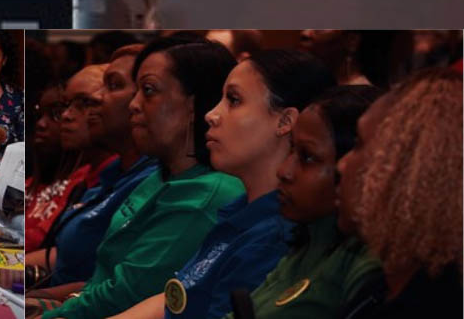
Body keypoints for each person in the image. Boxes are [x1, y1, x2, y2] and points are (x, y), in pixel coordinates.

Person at [109, 50, 336, 319]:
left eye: (234, 100)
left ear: (285, 121)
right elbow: (176, 300)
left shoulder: (273, 236)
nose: (211, 115)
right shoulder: (239, 212)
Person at [34, 41, 244, 319]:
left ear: (193, 103)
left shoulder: (203, 194)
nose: (134, 105)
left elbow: (126, 295)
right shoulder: (162, 173)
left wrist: (46, 311)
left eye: (148, 91)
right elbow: (103, 281)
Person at [222, 85, 385, 319]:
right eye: (292, 151)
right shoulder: (309, 240)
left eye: (308, 158)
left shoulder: (367, 265)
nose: (284, 171)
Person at [28, 43, 160, 288]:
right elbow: (65, 258)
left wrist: (31, 302)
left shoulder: (152, 180)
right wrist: (3, 274)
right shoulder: (110, 174)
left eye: (83, 102)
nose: (98, 100)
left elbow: (108, 287)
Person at [337, 67, 462, 316]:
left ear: (405, 172)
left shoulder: (434, 304)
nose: (341, 165)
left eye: (359, 144)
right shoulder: (381, 286)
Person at [26, 65, 114, 252]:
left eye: (84, 103)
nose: (67, 115)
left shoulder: (86, 179)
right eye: (39, 114)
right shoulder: (32, 181)